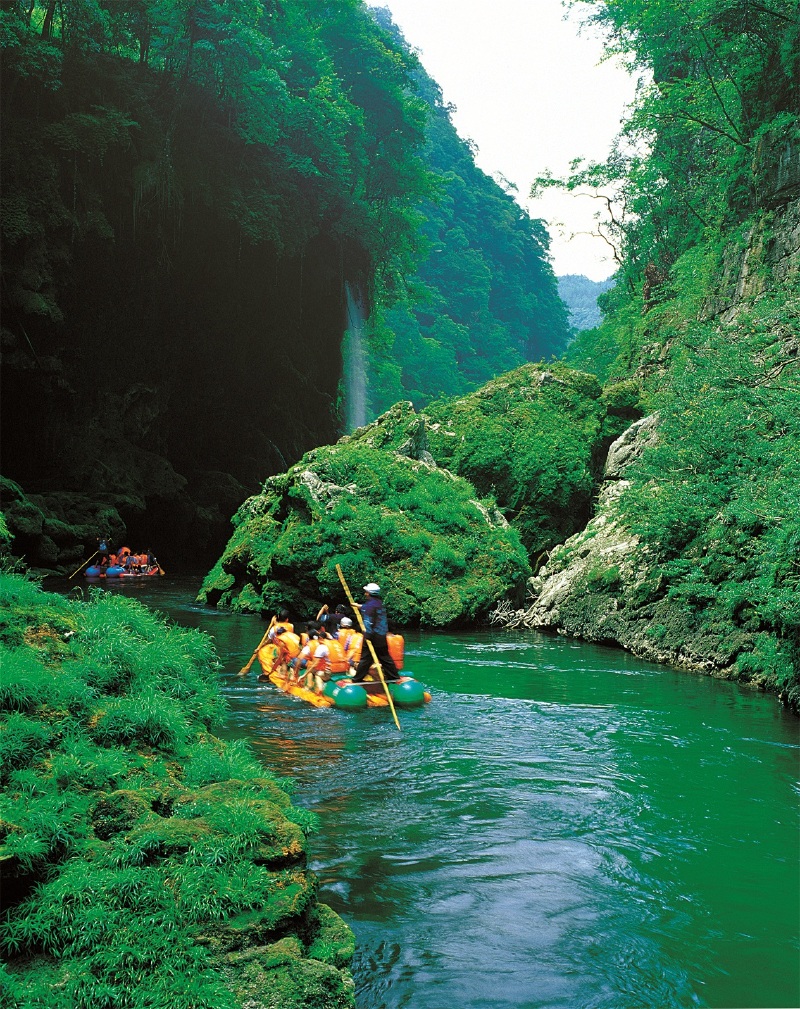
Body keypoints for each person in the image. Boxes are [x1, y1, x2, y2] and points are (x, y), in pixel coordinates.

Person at [352, 583, 400, 683]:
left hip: (372, 635)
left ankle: (357, 679)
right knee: (385, 658)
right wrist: (359, 606)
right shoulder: (379, 603)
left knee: (365, 659)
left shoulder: (369, 606)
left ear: (369, 593)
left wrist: (367, 636)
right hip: (381, 635)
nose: (365, 594)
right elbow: (371, 609)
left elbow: (368, 621)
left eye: (366, 592)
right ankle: (394, 677)